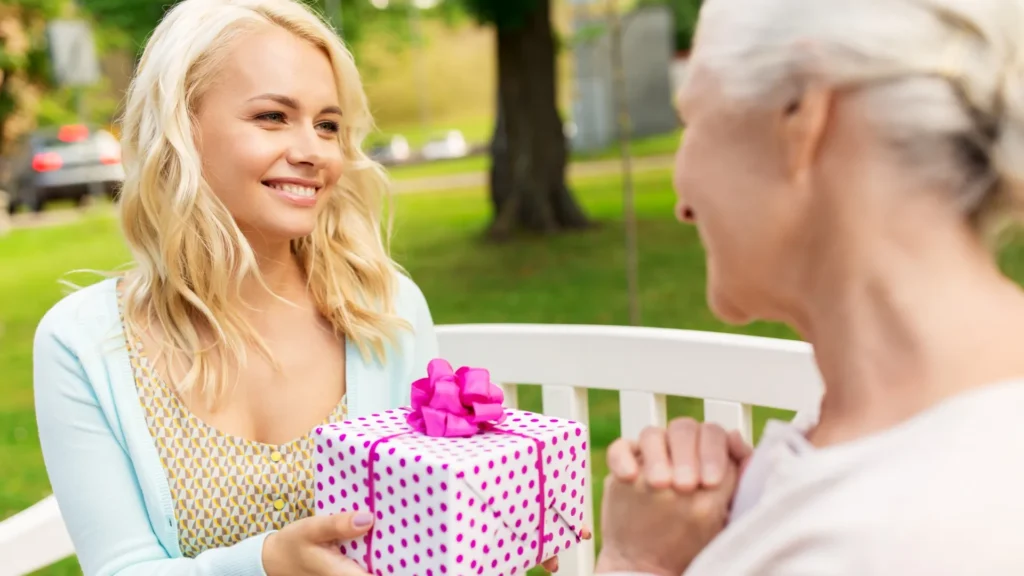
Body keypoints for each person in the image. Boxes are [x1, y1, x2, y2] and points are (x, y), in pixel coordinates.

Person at [33, 1, 577, 575]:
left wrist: (490, 524)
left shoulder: (383, 309)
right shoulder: (83, 343)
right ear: (181, 126)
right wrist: (265, 563)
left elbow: (421, 522)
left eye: (327, 125)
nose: (314, 151)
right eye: (272, 116)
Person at [594, 0, 1024, 574]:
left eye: (691, 121)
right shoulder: (894, 430)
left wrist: (635, 561)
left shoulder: (885, 541)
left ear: (801, 114)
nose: (681, 202)